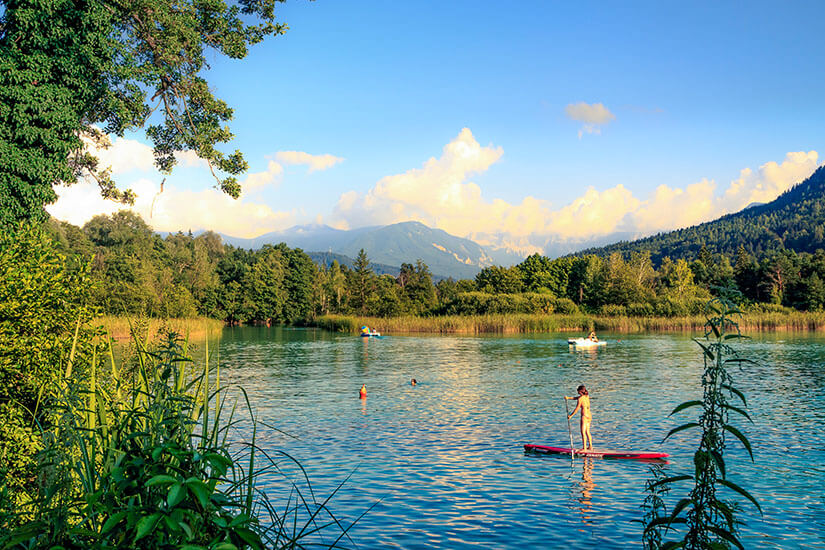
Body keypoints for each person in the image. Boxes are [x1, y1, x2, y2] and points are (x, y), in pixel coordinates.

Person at [565, 385, 593, 450]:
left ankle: (584, 448)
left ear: (580, 391)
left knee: (583, 432)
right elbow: (576, 398)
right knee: (587, 432)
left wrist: (570, 416)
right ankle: (590, 446)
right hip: (589, 416)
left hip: (584, 416)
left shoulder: (580, 399)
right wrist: (568, 398)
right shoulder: (587, 396)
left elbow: (577, 409)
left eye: (578, 392)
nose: (578, 393)